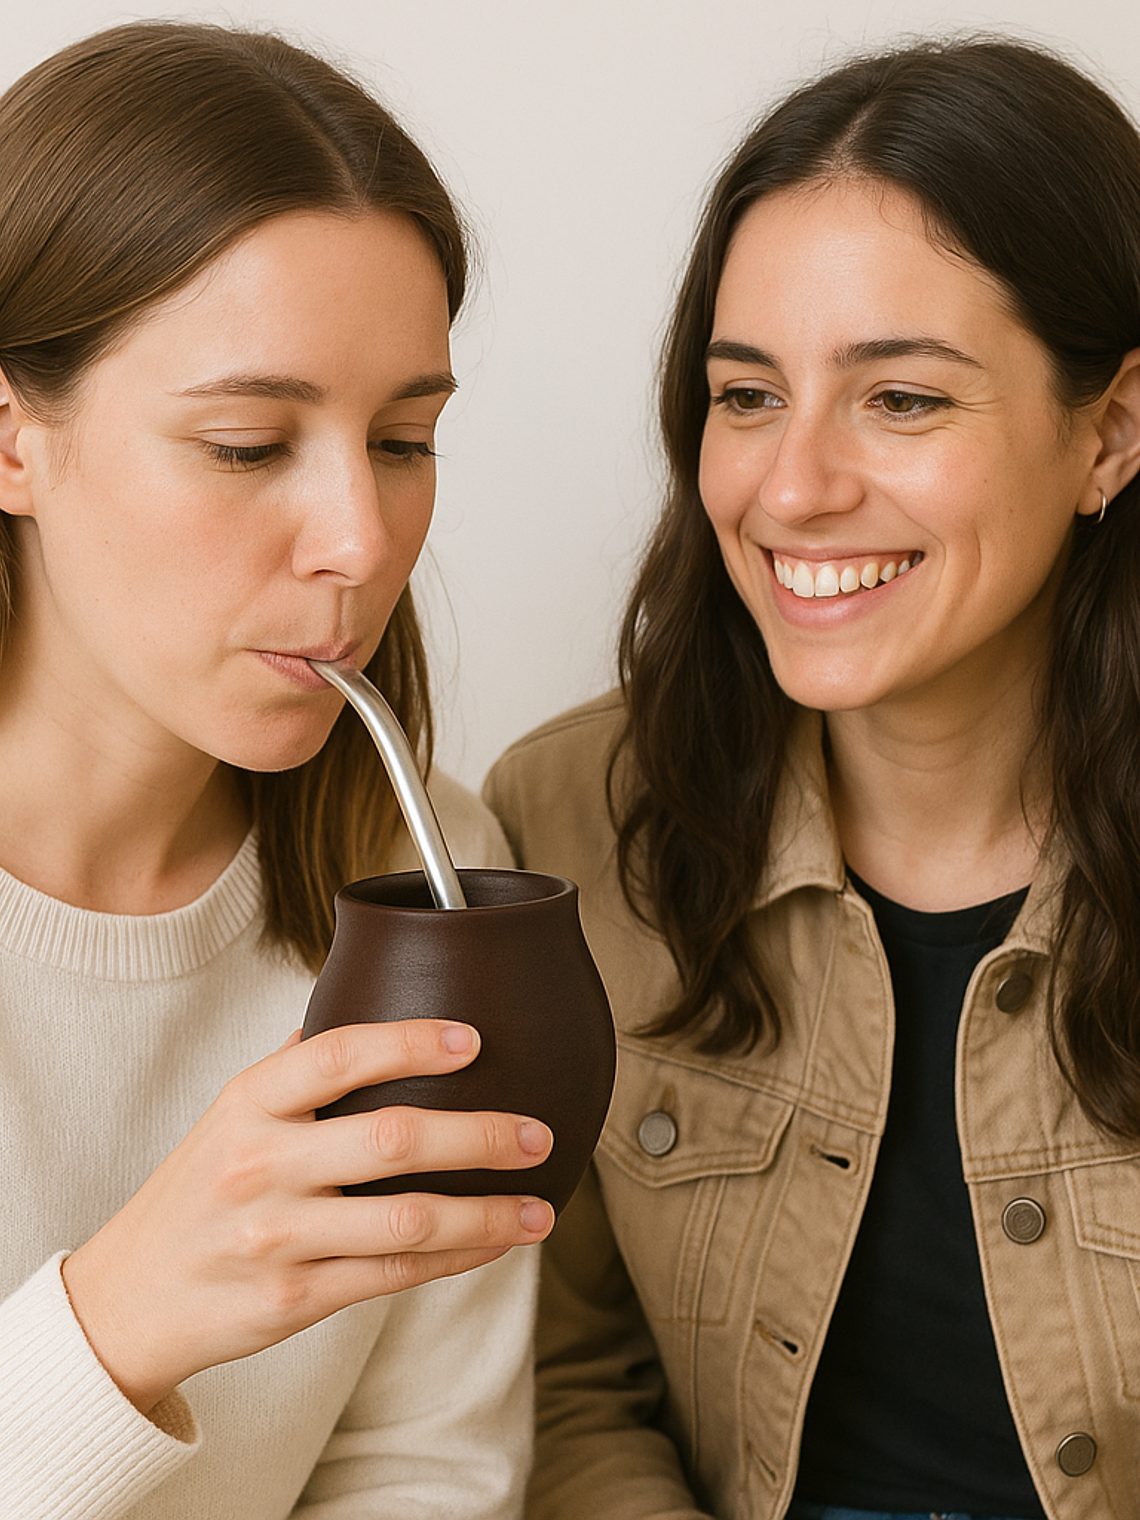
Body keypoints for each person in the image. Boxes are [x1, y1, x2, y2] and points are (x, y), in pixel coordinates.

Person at [485, 35, 1140, 1520]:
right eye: (746, 395)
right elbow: (569, 1382)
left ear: (1108, 432)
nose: (790, 489)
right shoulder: (569, 820)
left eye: (900, 399)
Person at [0, 20, 556, 1519]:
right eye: (248, 445)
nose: (362, 542)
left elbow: (424, 1471)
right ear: (12, 438)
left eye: (405, 439)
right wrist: (117, 1325)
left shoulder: (432, 879)